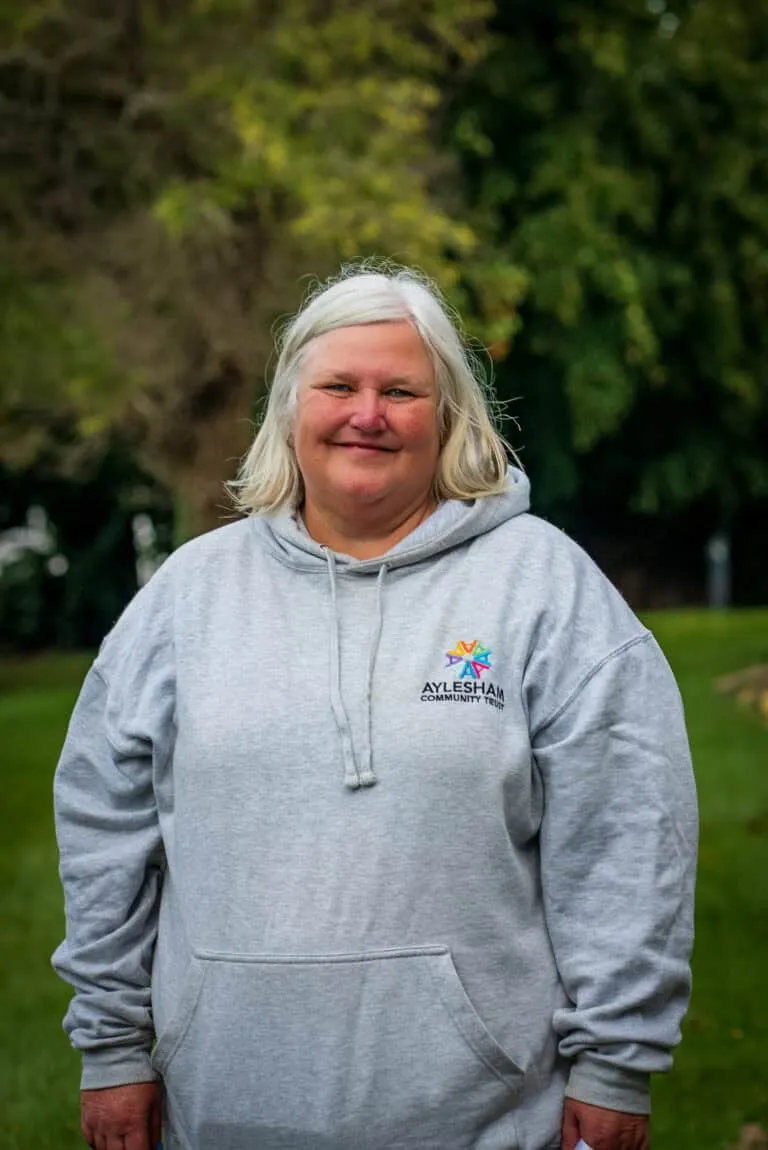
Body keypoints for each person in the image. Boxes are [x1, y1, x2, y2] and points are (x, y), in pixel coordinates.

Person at [53, 265, 698, 1150]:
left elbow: (629, 830)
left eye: (401, 390)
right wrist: (112, 1047)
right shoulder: (187, 597)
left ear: (448, 416)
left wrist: (618, 1062)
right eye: (339, 386)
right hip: (219, 1113)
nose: (368, 413)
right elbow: (103, 823)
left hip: (486, 1121)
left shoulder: (542, 586)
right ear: (290, 408)